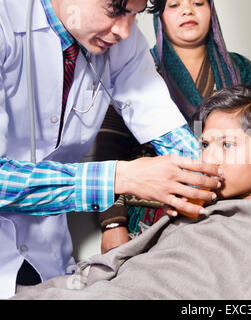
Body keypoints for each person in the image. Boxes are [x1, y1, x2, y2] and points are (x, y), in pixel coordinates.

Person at [11, 85, 251, 300]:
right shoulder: (190, 213)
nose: (209, 157)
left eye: (228, 144)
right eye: (205, 144)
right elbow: (119, 268)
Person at [0, 0, 223, 299]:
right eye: (114, 10)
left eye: (134, 13)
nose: (124, 30)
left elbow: (162, 122)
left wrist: (209, 176)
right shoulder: (6, 22)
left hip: (47, 254)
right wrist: (120, 177)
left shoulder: (120, 41)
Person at [87, 0, 251, 247]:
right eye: (174, 5)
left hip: (233, 207)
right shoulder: (136, 69)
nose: (187, 10)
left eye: (198, 3)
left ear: (211, 11)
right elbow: (109, 153)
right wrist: (113, 222)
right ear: (158, 16)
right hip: (155, 214)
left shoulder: (240, 69)